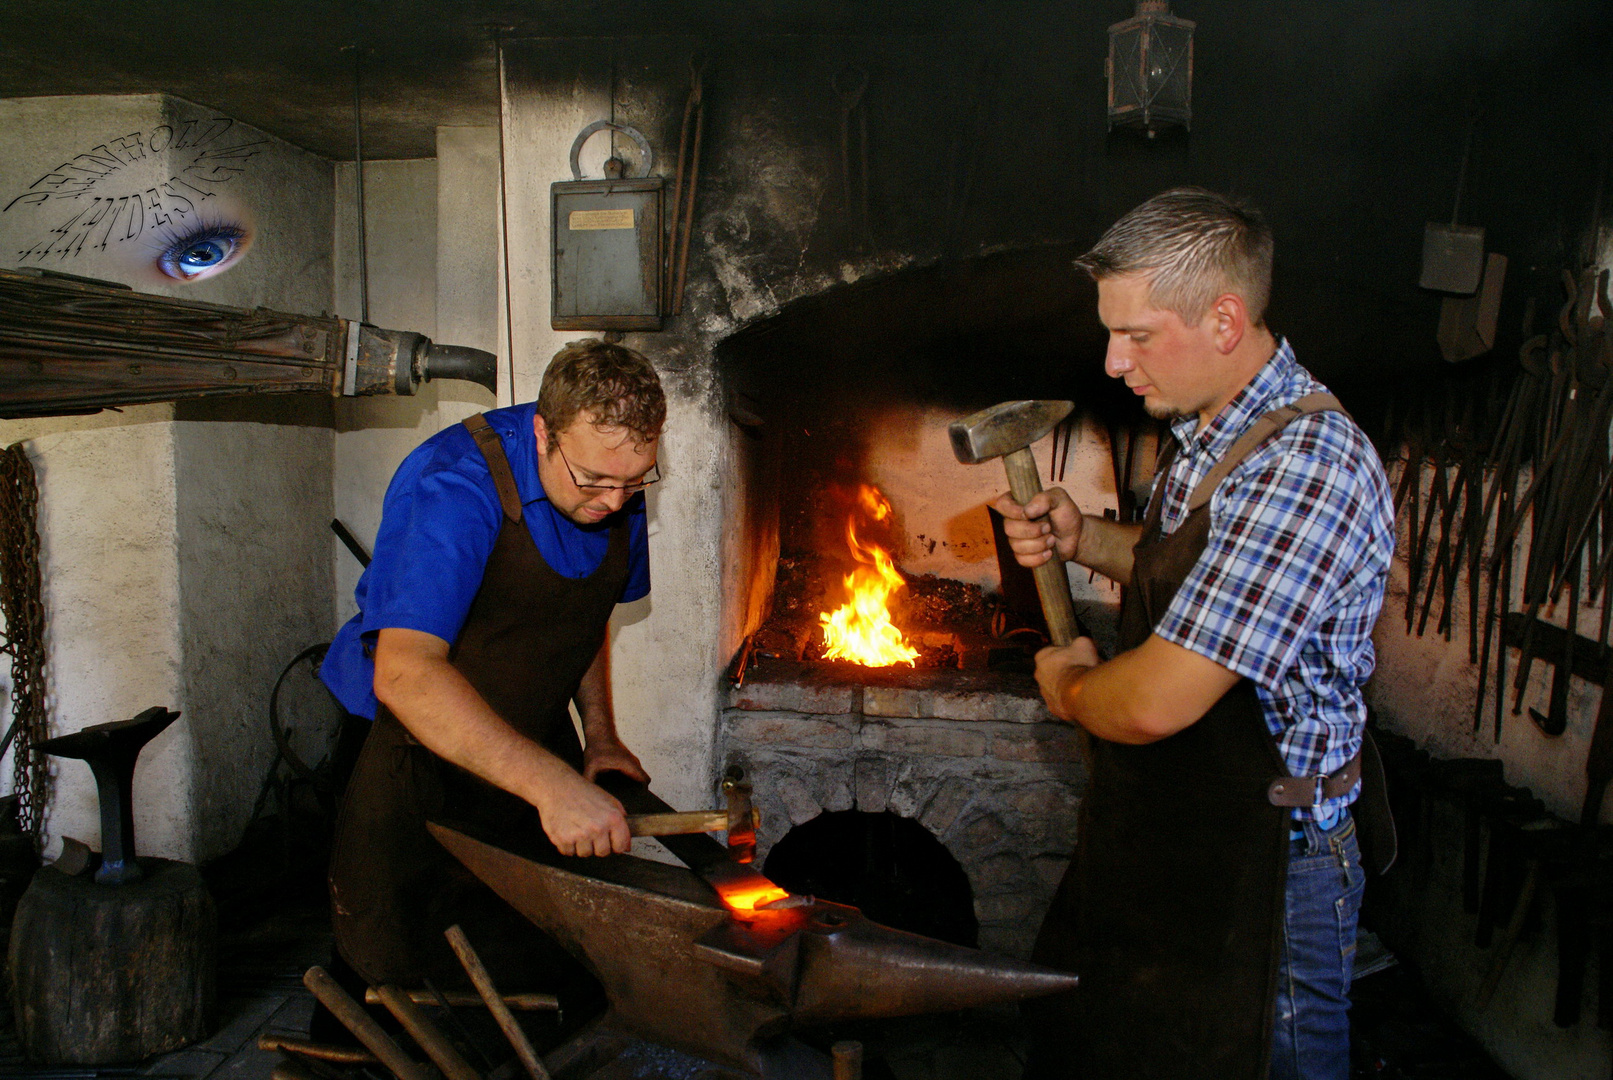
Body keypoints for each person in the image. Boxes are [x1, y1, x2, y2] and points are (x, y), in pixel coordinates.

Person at [994, 188, 1396, 1080]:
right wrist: (1081, 536)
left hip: (1272, 862)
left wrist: (1065, 685)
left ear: (1224, 318)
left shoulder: (1306, 467)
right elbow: (1188, 564)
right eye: (1110, 332)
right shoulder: (1214, 430)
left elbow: (1150, 704)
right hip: (1189, 826)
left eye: (1135, 335)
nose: (1111, 362)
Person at [318, 337, 664, 995]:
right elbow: (405, 673)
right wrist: (553, 787)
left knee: (520, 958)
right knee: (393, 973)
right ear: (542, 433)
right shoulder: (453, 485)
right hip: (408, 752)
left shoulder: (612, 483)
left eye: (635, 480)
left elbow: (580, 610)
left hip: (521, 741)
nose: (615, 502)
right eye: (593, 480)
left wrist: (599, 735)